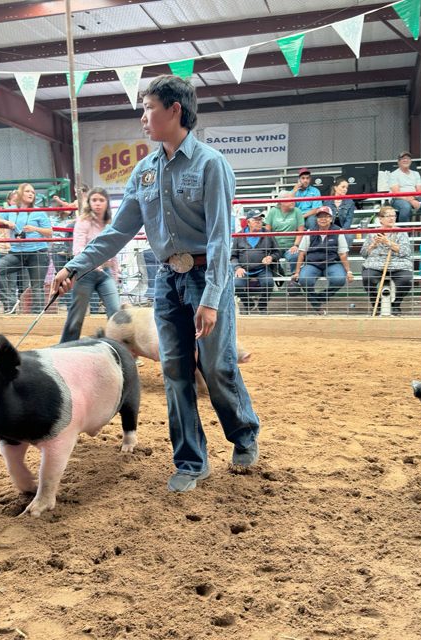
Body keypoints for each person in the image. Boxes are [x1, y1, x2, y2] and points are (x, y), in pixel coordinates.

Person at [50, 75, 260, 493]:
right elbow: (117, 233)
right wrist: (75, 267)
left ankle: (243, 434)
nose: (143, 117)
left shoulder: (211, 164)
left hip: (205, 279)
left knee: (216, 368)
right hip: (168, 280)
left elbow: (221, 238)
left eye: (148, 108)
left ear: (175, 109)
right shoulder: (144, 172)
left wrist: (213, 297)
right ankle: (190, 461)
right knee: (175, 371)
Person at [59, 187, 122, 343]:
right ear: (89, 202)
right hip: (85, 274)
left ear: (107, 203)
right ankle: (66, 347)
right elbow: (78, 248)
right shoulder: (83, 220)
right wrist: (92, 263)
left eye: (101, 200)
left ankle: (120, 348)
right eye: (94, 200)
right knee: (77, 315)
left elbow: (113, 250)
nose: (98, 204)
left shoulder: (110, 224)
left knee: (115, 311)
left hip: (105, 273)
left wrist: (115, 274)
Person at [0, 182, 53, 314]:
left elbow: (49, 232)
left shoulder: (39, 212)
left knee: (37, 287)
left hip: (37, 252)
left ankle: (36, 317)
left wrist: (35, 228)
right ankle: (10, 302)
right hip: (16, 252)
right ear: (20, 194)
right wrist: (6, 222)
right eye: (28, 191)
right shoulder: (11, 209)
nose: (31, 194)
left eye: (33, 192)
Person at [291, 206, 354, 314]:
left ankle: (319, 298)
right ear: (316, 219)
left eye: (326, 216)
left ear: (331, 218)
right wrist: (297, 272)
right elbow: (302, 253)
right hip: (312, 263)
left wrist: (348, 271)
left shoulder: (338, 231)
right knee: (304, 279)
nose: (323, 219)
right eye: (320, 217)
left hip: (332, 262)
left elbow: (343, 253)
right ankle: (317, 305)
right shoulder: (310, 232)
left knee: (339, 279)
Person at [359, 205, 413, 316]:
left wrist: (387, 242)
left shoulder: (401, 232)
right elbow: (363, 253)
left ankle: (395, 305)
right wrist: (373, 245)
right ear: (380, 219)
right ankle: (377, 306)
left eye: (393, 215)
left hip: (398, 264)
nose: (392, 218)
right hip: (376, 263)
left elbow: (405, 251)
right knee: (368, 278)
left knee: (405, 280)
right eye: (388, 216)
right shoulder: (372, 233)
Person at [231, 210, 280, 314]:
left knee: (268, 282)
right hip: (244, 269)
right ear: (248, 222)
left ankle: (262, 305)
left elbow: (277, 252)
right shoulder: (239, 236)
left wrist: (271, 257)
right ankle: (249, 304)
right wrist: (237, 267)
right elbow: (233, 256)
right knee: (237, 285)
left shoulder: (268, 234)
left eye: (260, 219)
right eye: (255, 220)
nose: (258, 222)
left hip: (262, 268)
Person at [264, 192, 305, 275]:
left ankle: (294, 278)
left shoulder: (297, 211)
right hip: (275, 246)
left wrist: (296, 245)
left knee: (295, 255)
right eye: (291, 200)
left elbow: (300, 231)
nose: (293, 201)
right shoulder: (273, 211)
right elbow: (267, 231)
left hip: (291, 245)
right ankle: (276, 278)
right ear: (282, 202)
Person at [389, 151, 421, 223]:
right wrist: (411, 201)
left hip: (415, 197)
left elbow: (419, 191)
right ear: (398, 162)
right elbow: (396, 193)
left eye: (408, 158)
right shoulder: (393, 174)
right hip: (398, 199)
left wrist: (413, 199)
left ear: (410, 161)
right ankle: (404, 232)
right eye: (403, 158)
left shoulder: (416, 174)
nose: (405, 160)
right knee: (406, 207)